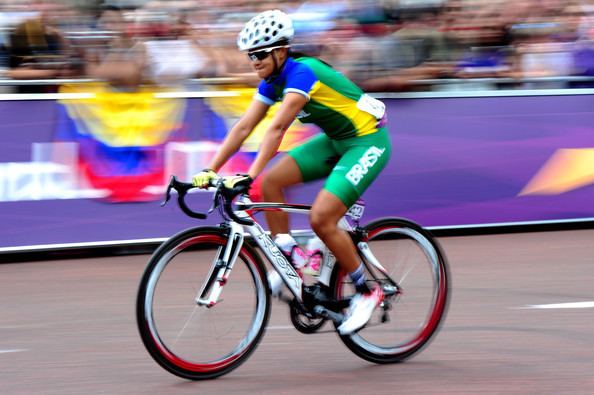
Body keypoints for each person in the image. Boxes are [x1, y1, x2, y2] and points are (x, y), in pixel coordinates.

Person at [191, 9, 392, 335]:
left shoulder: (302, 72)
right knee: (272, 182)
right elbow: (244, 127)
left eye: (259, 54)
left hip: (367, 143)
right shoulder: (274, 79)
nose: (253, 61)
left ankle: (368, 291)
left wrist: (248, 174)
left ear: (280, 51)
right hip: (336, 141)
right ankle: (291, 259)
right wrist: (209, 168)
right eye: (249, 55)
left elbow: (278, 127)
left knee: (321, 218)